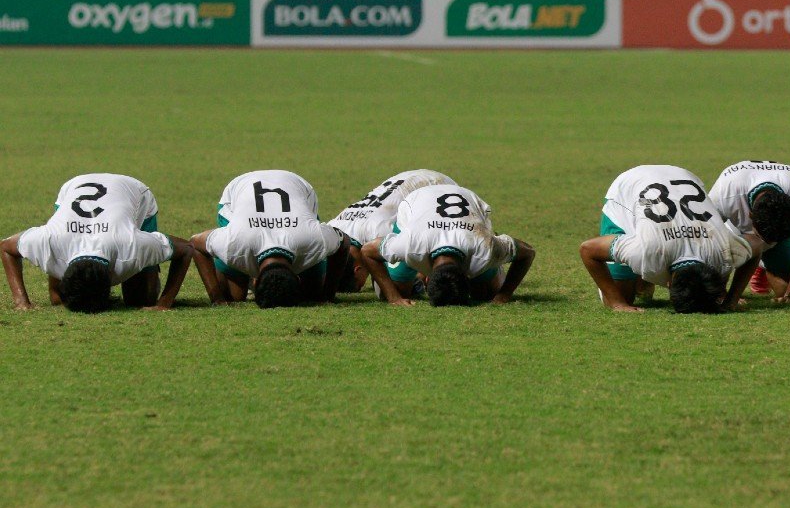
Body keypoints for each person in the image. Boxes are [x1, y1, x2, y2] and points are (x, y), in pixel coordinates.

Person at [1, 173, 203, 312]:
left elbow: (186, 249)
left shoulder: (132, 246)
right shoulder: (50, 241)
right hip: (74, 187)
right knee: (58, 300)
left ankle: (147, 272)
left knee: (141, 300)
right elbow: (7, 248)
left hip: (134, 193)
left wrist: (164, 303)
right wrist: (21, 302)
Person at [579, 165, 766, 313]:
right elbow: (588, 249)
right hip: (628, 188)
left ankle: (642, 279)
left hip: (681, 176)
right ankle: (640, 281)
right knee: (622, 295)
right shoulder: (645, 251)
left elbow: (758, 244)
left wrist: (731, 298)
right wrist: (617, 303)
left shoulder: (724, 252)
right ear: (668, 285)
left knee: (639, 265)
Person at [189, 170, 349, 308]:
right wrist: (217, 298)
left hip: (296, 187)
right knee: (233, 295)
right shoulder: (235, 243)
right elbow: (196, 243)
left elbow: (344, 243)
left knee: (312, 294)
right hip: (238, 191)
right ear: (297, 278)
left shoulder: (312, 238)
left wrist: (327, 296)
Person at [357, 184, 535, 306]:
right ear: (427, 278)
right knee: (400, 289)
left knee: (487, 294)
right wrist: (393, 297)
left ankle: (498, 255)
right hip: (417, 201)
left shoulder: (485, 249)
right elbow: (367, 251)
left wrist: (504, 294)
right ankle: (412, 281)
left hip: (469, 208)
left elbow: (528, 253)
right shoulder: (410, 243)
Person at [708, 160, 790, 303]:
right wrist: (721, 292)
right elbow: (707, 238)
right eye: (766, 239)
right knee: (711, 293)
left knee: (787, 291)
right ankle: (754, 258)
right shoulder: (725, 192)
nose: (770, 243)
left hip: (778, 233)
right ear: (750, 215)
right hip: (734, 230)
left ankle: (762, 264)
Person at [327, 169, 456, 292]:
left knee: (401, 280)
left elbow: (416, 243)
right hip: (408, 178)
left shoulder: (379, 231)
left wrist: (420, 275)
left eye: (360, 285)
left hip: (436, 186)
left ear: (357, 270)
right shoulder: (333, 227)